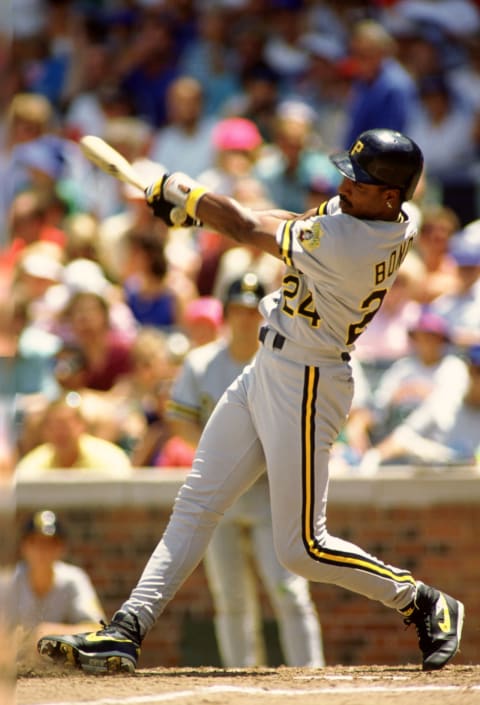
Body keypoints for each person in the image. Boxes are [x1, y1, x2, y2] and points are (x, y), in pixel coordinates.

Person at [38, 128, 464, 675]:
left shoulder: (355, 243)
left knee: (302, 549)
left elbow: (246, 225)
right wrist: (196, 212)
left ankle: (422, 600)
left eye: (359, 181)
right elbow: (289, 222)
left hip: (309, 380)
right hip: (269, 364)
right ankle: (128, 628)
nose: (343, 184)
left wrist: (185, 192)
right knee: (197, 501)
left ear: (389, 196)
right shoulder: (380, 215)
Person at [167, 273, 324, 667]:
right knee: (231, 599)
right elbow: (180, 421)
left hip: (270, 492)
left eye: (250, 310)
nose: (243, 319)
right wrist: (220, 455)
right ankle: (240, 680)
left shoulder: (282, 359)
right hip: (221, 495)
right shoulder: (202, 362)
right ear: (225, 313)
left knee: (289, 591)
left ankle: (312, 675)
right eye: (237, 310)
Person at [0, 510, 104, 663]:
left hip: (61, 671)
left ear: (61, 548)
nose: (42, 551)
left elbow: (98, 629)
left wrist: (55, 634)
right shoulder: (7, 583)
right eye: (35, 542)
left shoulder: (73, 579)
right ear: (24, 547)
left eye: (49, 544)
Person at [360, 343, 480, 470]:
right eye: (478, 371)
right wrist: (374, 457)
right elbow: (403, 438)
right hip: (437, 483)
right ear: (470, 371)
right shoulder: (444, 401)